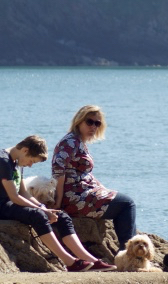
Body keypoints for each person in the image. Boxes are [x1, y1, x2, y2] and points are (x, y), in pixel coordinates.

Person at [0, 135, 115, 272]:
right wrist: (42, 211)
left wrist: (43, 207)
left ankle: (91, 261)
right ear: (25, 150)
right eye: (31, 161)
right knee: (38, 215)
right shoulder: (2, 162)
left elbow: (24, 193)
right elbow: (14, 197)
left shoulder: (17, 161)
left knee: (61, 215)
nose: (30, 165)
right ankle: (70, 262)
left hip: (12, 204)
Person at [51, 105, 137, 250]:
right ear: (79, 121)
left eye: (97, 123)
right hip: (75, 197)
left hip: (84, 192)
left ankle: (127, 252)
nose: (93, 127)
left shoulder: (79, 142)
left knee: (122, 201)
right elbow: (58, 172)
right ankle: (129, 254)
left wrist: (104, 189)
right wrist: (58, 203)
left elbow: (86, 173)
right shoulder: (69, 142)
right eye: (89, 122)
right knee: (126, 204)